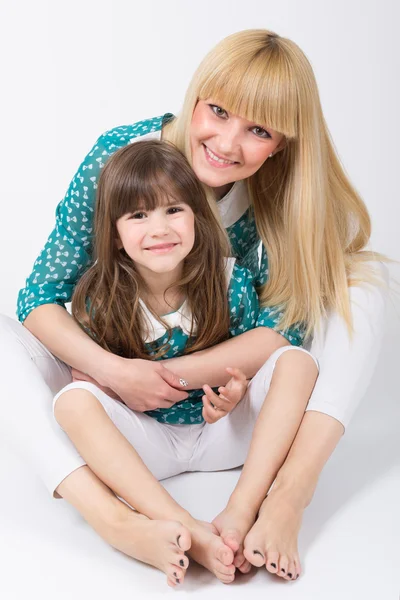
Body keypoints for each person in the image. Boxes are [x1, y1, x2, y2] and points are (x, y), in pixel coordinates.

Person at [0, 29, 387, 584]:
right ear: (195, 95)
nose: (228, 143)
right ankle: (113, 518)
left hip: (225, 410)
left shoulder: (280, 194)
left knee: (368, 283)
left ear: (282, 143)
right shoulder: (123, 159)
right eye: (219, 111)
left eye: (258, 130)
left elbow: (283, 330)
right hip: (122, 402)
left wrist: (167, 377)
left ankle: (286, 496)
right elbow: (40, 296)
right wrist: (115, 374)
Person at [51, 139, 319, 586]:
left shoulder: (228, 282)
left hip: (222, 436)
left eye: (173, 210)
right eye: (138, 216)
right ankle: (181, 525)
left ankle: (242, 508)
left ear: (197, 217)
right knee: (72, 402)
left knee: (297, 362)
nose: (159, 229)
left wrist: (235, 393)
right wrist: (113, 388)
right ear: (114, 235)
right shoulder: (100, 299)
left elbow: (252, 357)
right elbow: (90, 377)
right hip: (147, 445)